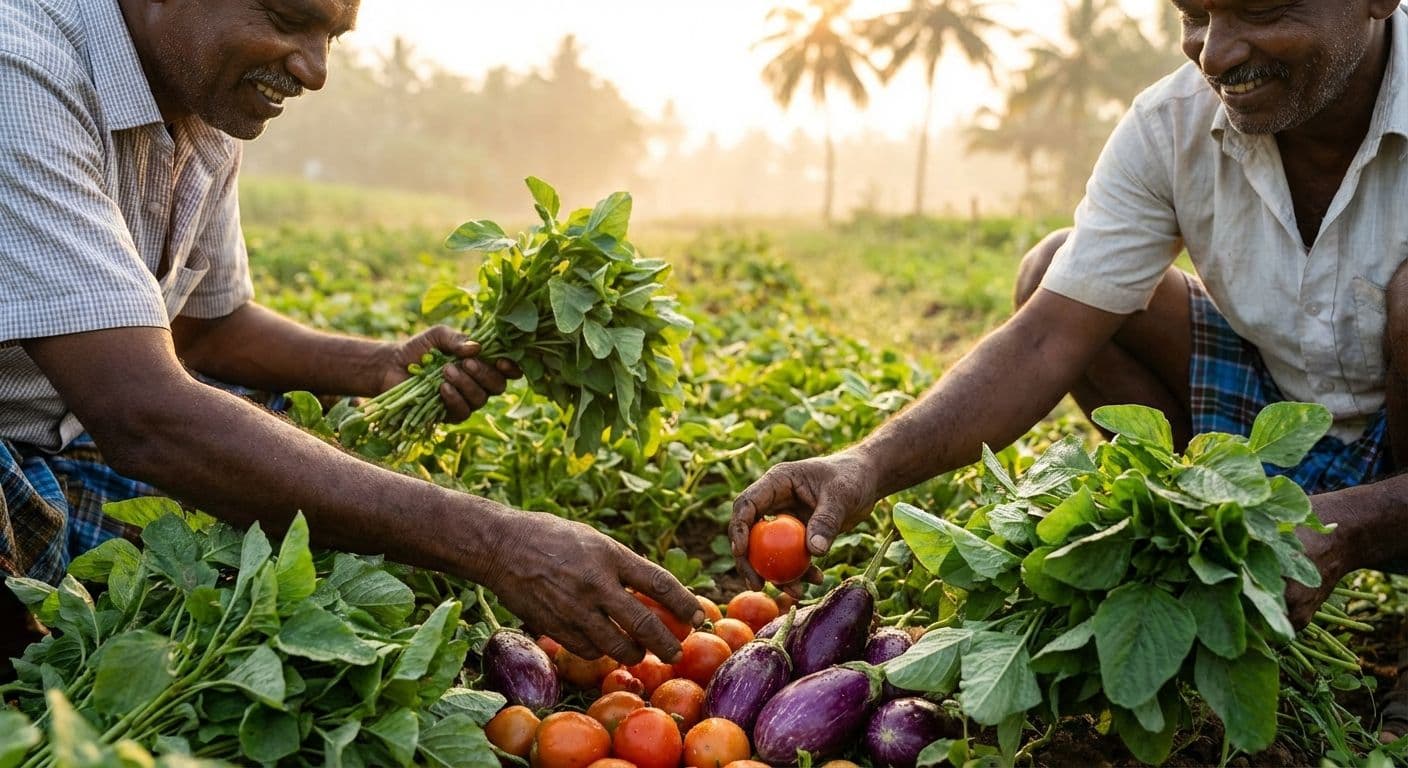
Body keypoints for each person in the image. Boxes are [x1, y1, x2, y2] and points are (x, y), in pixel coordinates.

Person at [733, 0, 1408, 738]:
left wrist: (1355, 525)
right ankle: (1211, 558)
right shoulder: (1171, 125)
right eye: (1194, 15)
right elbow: (1045, 340)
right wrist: (864, 463)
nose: (1213, 55)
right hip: (1271, 413)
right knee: (1058, 272)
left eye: (1257, 10)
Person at [0, 0, 700, 673]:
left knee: (293, 442)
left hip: (74, 424)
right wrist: (493, 541)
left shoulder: (201, 96)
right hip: (42, 435)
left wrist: (379, 365)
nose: (315, 70)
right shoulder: (21, 72)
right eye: (288, 19)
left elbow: (204, 327)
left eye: (333, 36)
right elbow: (142, 413)